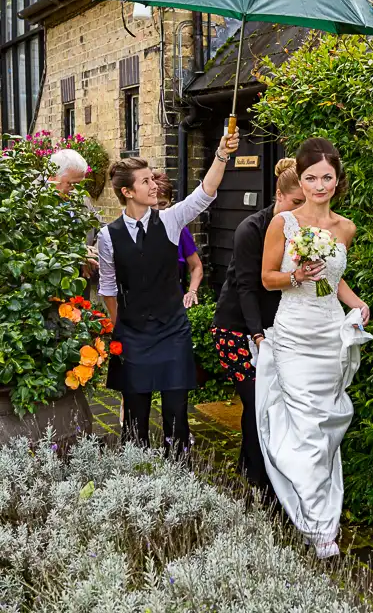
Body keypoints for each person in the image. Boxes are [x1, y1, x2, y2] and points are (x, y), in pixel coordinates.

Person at [257, 138, 373, 559]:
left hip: (329, 336)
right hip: (293, 335)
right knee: (307, 425)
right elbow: (268, 277)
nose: (319, 185)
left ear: (338, 179)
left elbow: (334, 280)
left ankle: (318, 510)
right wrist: (297, 276)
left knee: (326, 427)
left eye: (327, 177)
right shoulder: (283, 224)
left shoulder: (346, 228)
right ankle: (318, 525)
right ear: (300, 180)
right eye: (311, 178)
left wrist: (357, 303)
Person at [97, 129, 239, 454]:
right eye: (146, 181)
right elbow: (107, 288)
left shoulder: (172, 220)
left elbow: (205, 193)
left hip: (173, 331)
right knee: (135, 417)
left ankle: (178, 479)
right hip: (132, 335)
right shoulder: (107, 237)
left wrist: (221, 153)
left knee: (176, 412)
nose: (154, 186)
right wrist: (123, 328)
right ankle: (136, 483)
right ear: (127, 191)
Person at [212, 158, 305, 489]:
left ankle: (249, 466)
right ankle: (259, 484)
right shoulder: (251, 229)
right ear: (279, 195)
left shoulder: (303, 232)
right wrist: (257, 336)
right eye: (296, 203)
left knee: (268, 405)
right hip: (236, 329)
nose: (300, 211)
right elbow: (248, 288)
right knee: (258, 404)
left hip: (278, 329)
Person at [152, 171, 204, 309]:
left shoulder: (180, 231)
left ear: (170, 202)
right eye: (153, 205)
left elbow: (196, 266)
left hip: (173, 306)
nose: (158, 210)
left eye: (162, 204)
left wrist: (192, 291)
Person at [48, 148, 100, 283]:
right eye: (71, 184)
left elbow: (101, 229)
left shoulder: (80, 197)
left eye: (79, 184)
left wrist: (93, 254)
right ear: (52, 176)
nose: (76, 190)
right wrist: (78, 254)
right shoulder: (30, 201)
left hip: (82, 283)